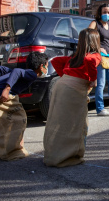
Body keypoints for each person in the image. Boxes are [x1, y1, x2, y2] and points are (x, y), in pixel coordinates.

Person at [43, 28, 101, 167]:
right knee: (76, 123)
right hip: (74, 89)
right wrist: (93, 79)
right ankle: (70, 156)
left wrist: (65, 76)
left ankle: (53, 154)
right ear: (95, 41)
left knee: (58, 121)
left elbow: (56, 61)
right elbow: (89, 60)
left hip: (61, 85)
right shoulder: (95, 55)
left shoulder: (74, 57)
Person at [0, 52, 48, 161]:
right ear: (41, 66)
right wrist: (6, 89)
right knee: (20, 118)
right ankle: (14, 149)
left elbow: (0, 70)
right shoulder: (32, 74)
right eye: (46, 66)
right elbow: (17, 71)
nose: (47, 69)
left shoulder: (28, 72)